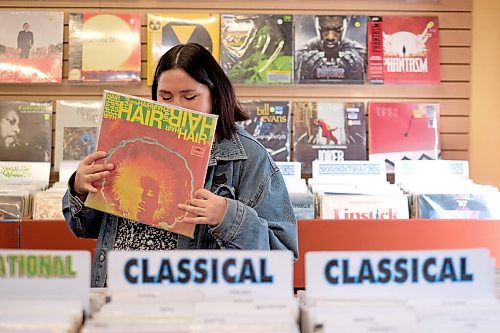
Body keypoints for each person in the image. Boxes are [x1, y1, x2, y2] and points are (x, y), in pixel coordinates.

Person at [62, 43, 298, 287]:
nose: (176, 107)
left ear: (214, 98)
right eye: (165, 97)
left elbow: (281, 257)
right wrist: (80, 189)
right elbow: (84, 228)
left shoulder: (248, 157)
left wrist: (227, 217)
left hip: (197, 311)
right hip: (120, 301)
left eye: (189, 97)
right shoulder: (129, 141)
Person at [295, 15, 366, 82]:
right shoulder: (299, 56)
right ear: (316, 25)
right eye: (323, 29)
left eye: (338, 30)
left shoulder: (361, 55)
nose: (330, 37)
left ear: (346, 25)